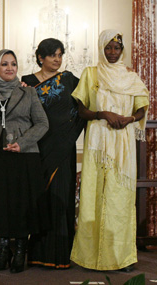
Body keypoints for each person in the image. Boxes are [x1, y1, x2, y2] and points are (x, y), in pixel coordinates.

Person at [70, 30, 149, 272]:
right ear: (101, 48)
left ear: (122, 50)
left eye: (117, 48)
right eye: (108, 48)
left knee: (120, 200)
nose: (112, 53)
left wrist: (128, 119)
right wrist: (103, 114)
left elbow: (141, 110)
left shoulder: (131, 77)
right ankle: (89, 256)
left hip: (122, 143)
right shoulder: (90, 73)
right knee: (92, 197)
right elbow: (81, 110)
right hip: (97, 141)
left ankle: (121, 257)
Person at [0, 49, 49, 274]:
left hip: (24, 155)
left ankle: (20, 251)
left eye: (13, 64)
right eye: (4, 64)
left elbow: (42, 123)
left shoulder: (28, 93)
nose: (9, 68)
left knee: (21, 203)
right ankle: (3, 251)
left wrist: (23, 142)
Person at [21, 38, 85, 269]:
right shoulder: (26, 83)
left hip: (63, 148)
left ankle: (60, 255)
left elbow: (86, 101)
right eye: (52, 55)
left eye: (60, 55)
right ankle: (37, 253)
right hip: (37, 148)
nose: (57, 59)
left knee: (62, 197)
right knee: (39, 198)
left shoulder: (69, 80)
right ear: (40, 57)